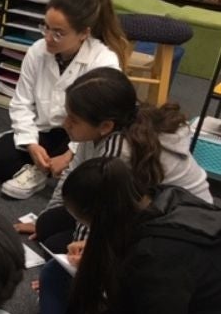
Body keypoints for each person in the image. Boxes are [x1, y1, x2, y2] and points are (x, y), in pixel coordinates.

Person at [38, 157, 221, 314]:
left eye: (85, 224)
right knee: (56, 272)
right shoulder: (162, 198)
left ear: (102, 218)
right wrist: (96, 251)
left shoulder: (157, 258)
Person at [16, 67, 211, 253]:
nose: (65, 123)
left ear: (106, 126)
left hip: (184, 225)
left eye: (73, 120)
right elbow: (72, 178)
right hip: (135, 203)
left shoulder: (119, 153)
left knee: (58, 248)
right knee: (47, 226)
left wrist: (81, 260)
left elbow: (100, 212)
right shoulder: (97, 129)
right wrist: (44, 219)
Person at [0, 0, 130, 200]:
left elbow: (99, 123)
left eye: (59, 33)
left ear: (84, 33)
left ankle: (46, 169)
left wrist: (71, 155)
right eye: (46, 28)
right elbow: (21, 103)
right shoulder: (37, 51)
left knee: (89, 182)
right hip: (46, 130)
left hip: (84, 134)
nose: (49, 38)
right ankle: (42, 167)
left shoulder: (103, 61)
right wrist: (31, 144)